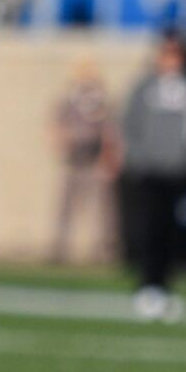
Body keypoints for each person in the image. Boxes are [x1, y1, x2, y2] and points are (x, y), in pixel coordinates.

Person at [120, 30, 186, 321]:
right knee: (149, 229)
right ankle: (147, 284)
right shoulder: (145, 85)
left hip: (177, 170)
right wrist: (138, 157)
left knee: (171, 231)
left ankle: (165, 286)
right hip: (149, 169)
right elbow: (129, 123)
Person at [48, 59, 119, 264]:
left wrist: (108, 157)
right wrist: (61, 142)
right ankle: (60, 248)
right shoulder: (70, 100)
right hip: (73, 159)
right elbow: (57, 126)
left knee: (101, 209)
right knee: (66, 206)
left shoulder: (101, 101)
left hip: (94, 159)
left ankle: (103, 249)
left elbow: (109, 131)